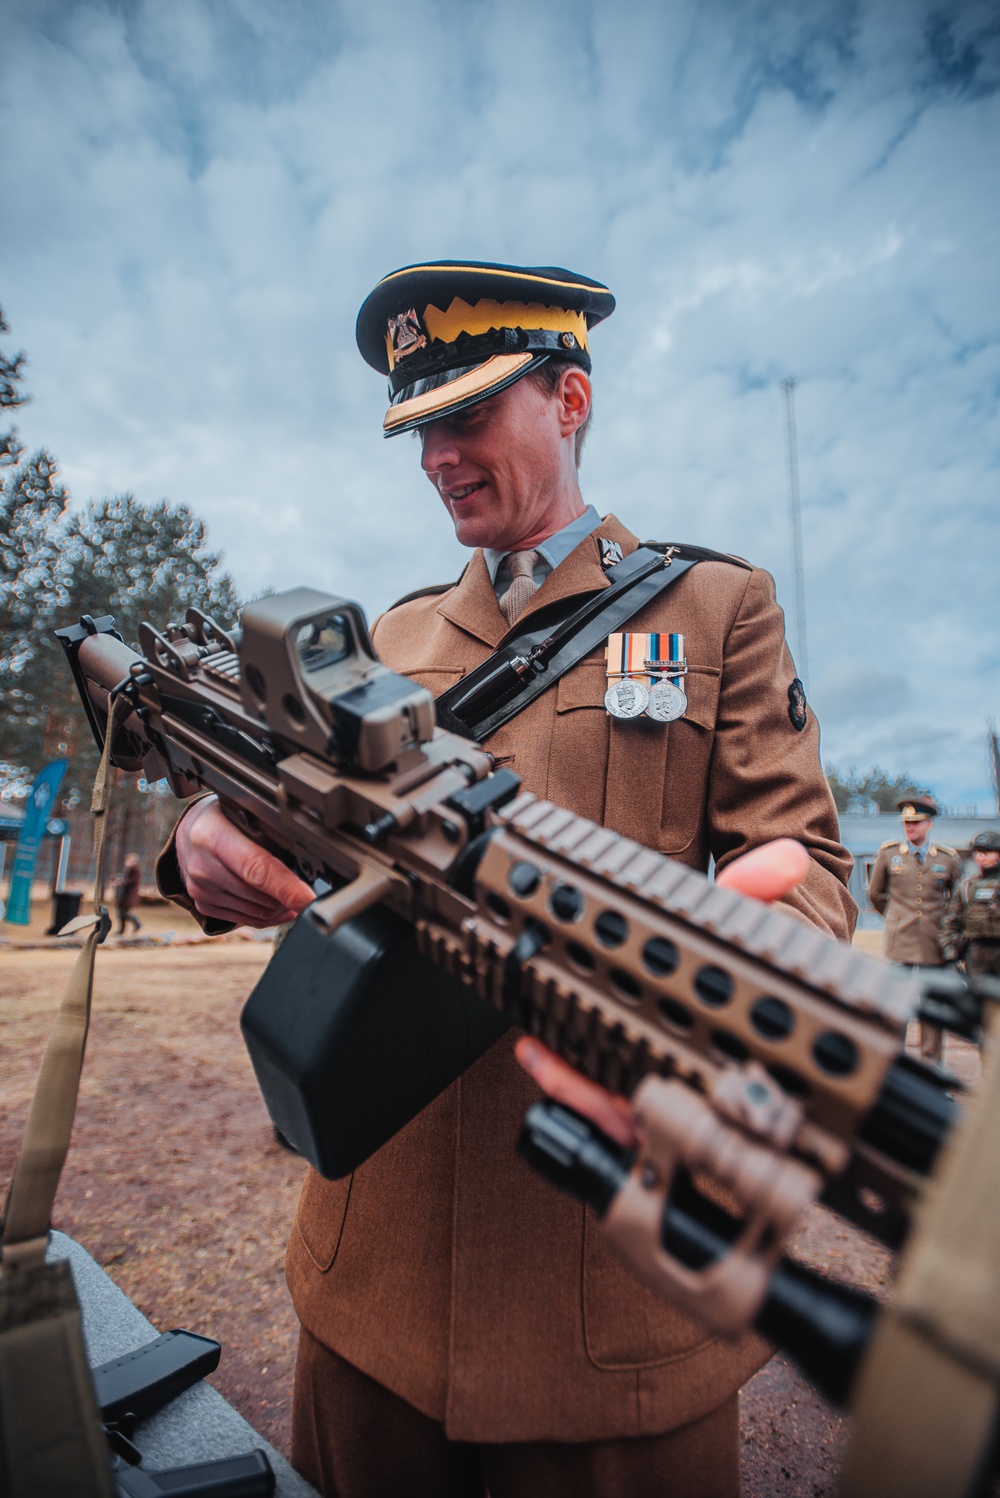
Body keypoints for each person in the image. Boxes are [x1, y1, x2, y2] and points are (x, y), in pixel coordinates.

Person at [157, 261, 855, 1498]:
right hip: (378, 1272)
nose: (436, 455)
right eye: (420, 427)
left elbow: (802, 873)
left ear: (569, 398)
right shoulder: (390, 637)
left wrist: (718, 984)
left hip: (609, 1292)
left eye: (466, 415)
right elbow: (287, 803)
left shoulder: (714, 605)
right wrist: (200, 840)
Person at [866, 794, 962, 1062]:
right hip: (901, 942)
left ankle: (931, 1064)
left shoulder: (947, 858)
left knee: (933, 1007)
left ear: (929, 824)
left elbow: (956, 901)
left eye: (916, 822)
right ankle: (895, 1064)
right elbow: (876, 893)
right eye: (907, 822)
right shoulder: (889, 854)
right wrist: (895, 917)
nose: (910, 827)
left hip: (934, 942)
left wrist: (949, 933)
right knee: (896, 1006)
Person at [941, 829, 1000, 982]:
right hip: (975, 953)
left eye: (987, 852)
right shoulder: (966, 887)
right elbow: (951, 922)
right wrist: (950, 953)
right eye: (978, 852)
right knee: (977, 1001)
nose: (981, 857)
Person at [114, 851, 142, 935]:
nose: (127, 862)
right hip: (123, 895)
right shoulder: (127, 870)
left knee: (124, 912)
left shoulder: (135, 870)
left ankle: (137, 924)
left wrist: (121, 882)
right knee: (120, 913)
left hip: (129, 896)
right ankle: (121, 930)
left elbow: (130, 881)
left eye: (130, 861)